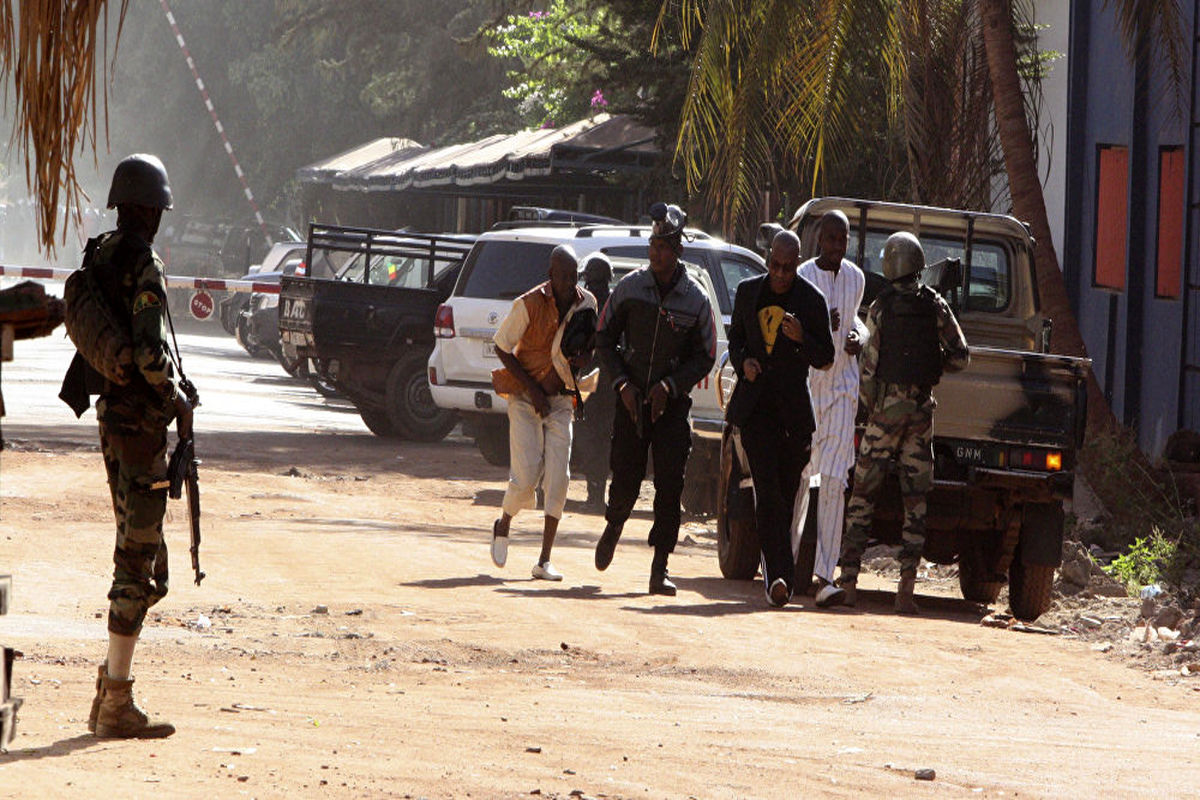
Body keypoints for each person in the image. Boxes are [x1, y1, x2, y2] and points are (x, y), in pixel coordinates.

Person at [60, 154, 192, 738]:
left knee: (142, 559)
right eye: (157, 208)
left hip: (114, 419)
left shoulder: (102, 253)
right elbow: (147, 354)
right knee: (139, 560)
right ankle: (115, 702)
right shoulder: (143, 262)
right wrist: (178, 397)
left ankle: (108, 690)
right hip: (140, 427)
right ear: (146, 208)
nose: (160, 219)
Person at [837, 231, 969, 614]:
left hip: (885, 416)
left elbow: (869, 366)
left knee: (862, 496)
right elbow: (961, 356)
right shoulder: (937, 305)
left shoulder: (880, 307)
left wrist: (867, 408)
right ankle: (905, 591)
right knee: (916, 503)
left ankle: (848, 584)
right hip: (920, 416)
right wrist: (931, 367)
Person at [593, 202, 717, 595]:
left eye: (664, 245)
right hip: (630, 403)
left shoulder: (696, 301)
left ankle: (659, 567)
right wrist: (622, 385)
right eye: (653, 244)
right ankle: (614, 524)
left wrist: (671, 387)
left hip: (672, 409)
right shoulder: (629, 288)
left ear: (678, 249)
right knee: (625, 477)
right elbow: (603, 339)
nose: (656, 251)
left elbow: (707, 354)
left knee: (669, 487)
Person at [726, 230, 834, 607]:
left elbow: (826, 357)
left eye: (788, 267)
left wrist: (802, 337)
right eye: (775, 265)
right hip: (755, 410)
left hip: (793, 415)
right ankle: (778, 579)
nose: (781, 273)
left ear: (798, 262)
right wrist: (744, 364)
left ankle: (778, 572)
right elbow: (736, 340)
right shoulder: (747, 292)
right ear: (768, 258)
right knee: (767, 492)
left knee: (786, 499)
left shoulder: (811, 299)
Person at [489, 245, 597, 580]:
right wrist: (533, 389)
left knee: (559, 476)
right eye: (563, 276)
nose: (569, 282)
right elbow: (501, 346)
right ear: (551, 275)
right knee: (525, 479)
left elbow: (589, 344)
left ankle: (544, 559)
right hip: (524, 397)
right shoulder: (529, 304)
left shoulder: (587, 303)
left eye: (574, 276)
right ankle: (503, 522)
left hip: (562, 398)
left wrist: (583, 360)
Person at [791, 211, 867, 608]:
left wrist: (859, 336)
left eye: (844, 240)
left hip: (842, 388)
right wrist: (819, 324)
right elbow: (793, 327)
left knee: (835, 482)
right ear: (820, 239)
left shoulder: (856, 277)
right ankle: (784, 571)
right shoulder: (801, 274)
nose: (838, 247)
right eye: (832, 239)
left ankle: (825, 576)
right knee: (802, 478)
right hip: (807, 388)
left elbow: (859, 320)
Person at [576, 253, 615, 510]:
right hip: (609, 380)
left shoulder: (584, 302)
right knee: (602, 437)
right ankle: (597, 495)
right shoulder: (615, 301)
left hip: (587, 377)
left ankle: (594, 493)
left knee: (585, 435)